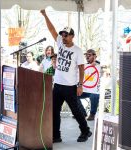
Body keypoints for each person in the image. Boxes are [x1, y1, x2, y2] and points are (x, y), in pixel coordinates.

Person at [41, 9, 92, 143]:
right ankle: (56, 135)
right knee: (54, 111)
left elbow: (82, 68)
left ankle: (86, 131)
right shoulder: (60, 43)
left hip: (70, 87)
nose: (63, 37)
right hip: (57, 85)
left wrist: (80, 85)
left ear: (72, 36)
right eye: (62, 35)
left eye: (66, 35)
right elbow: (52, 29)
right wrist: (45, 15)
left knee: (76, 111)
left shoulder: (77, 51)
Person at [77, 49, 100, 121]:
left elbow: (104, 67)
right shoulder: (84, 66)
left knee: (94, 95)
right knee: (73, 95)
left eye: (89, 55)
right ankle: (82, 113)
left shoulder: (99, 65)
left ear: (95, 56)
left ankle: (92, 114)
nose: (87, 56)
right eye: (86, 55)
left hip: (95, 90)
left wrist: (96, 62)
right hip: (85, 90)